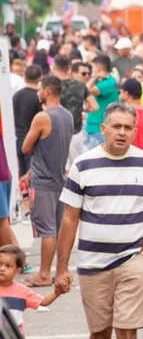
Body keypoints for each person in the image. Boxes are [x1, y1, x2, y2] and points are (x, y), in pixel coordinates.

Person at [55, 102, 143, 339]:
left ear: (135, 131)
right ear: (103, 128)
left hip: (132, 260)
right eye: (115, 126)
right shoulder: (84, 165)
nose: (122, 132)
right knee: (99, 331)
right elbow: (69, 219)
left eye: (128, 127)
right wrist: (61, 267)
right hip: (92, 263)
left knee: (127, 330)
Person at [20, 75, 74, 288]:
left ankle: (43, 274)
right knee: (59, 228)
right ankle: (61, 271)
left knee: (47, 230)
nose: (37, 92)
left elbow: (25, 147)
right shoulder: (68, 116)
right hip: (59, 178)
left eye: (40, 88)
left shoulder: (42, 117)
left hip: (44, 182)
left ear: (48, 91)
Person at [0, 245, 60, 335]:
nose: (2, 269)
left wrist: (57, 292)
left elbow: (43, 302)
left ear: (17, 271)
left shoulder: (22, 291)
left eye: (8, 266)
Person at [12, 65, 42, 180]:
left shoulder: (16, 95)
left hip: (18, 139)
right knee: (31, 177)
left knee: (21, 176)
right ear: (40, 78)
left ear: (24, 77)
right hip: (33, 142)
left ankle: (23, 197)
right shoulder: (39, 97)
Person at [85, 55, 120, 149]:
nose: (92, 70)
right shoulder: (100, 82)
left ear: (98, 67)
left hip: (100, 129)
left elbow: (85, 90)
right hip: (93, 127)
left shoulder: (109, 82)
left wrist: (94, 77)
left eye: (93, 67)